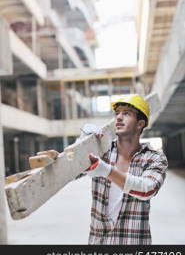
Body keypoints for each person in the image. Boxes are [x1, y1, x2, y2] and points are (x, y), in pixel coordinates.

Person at [42, 94, 168, 245]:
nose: (119, 118)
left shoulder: (155, 158)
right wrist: (82, 142)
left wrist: (106, 170)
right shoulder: (103, 152)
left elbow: (147, 189)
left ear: (140, 124)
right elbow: (71, 171)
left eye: (126, 113)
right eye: (117, 113)